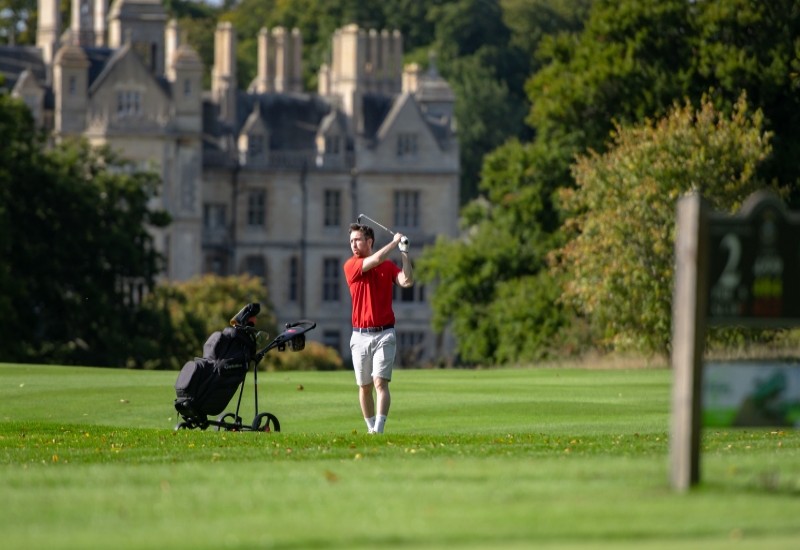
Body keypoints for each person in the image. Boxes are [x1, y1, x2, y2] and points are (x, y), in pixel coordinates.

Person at [343, 222, 413, 434]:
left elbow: (407, 281)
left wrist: (404, 253)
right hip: (360, 335)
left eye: (358, 240)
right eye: (352, 241)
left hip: (385, 333)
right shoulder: (351, 265)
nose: (354, 245)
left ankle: (378, 430)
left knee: (380, 383)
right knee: (364, 387)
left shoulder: (388, 267)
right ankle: (370, 427)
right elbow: (376, 260)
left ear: (369, 241)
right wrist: (393, 242)